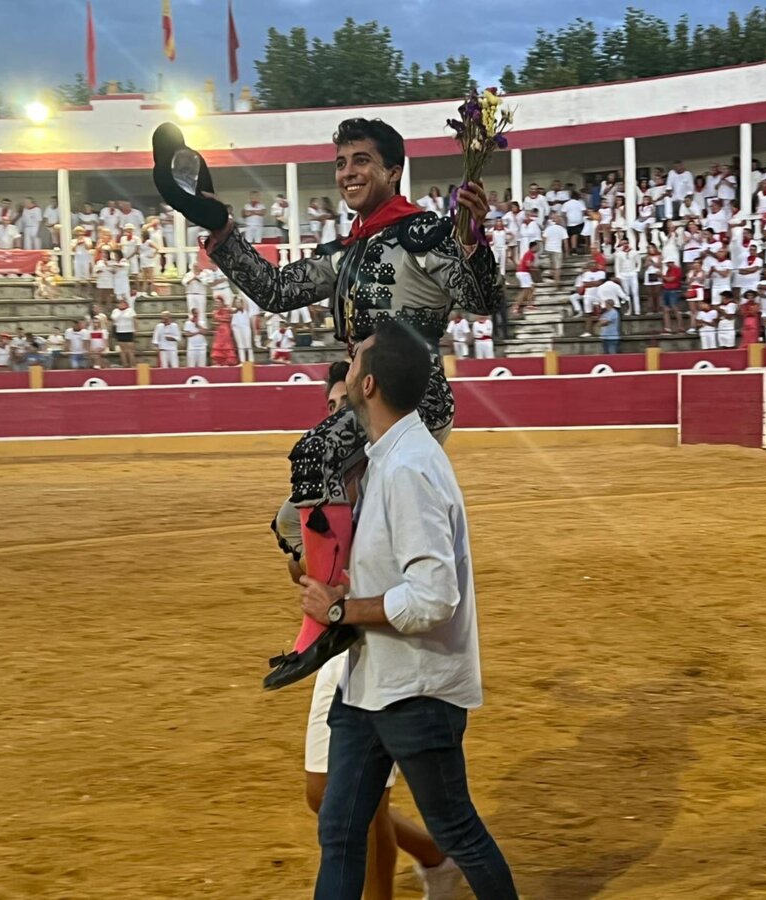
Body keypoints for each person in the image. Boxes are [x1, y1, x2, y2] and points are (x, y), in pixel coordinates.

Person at [153, 116, 502, 688]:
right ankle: (344, 600)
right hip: (365, 405)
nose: (347, 173)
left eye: (361, 160)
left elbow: (481, 296)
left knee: (314, 455)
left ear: (393, 170)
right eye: (341, 163)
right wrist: (218, 227)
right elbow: (275, 290)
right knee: (294, 525)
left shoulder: (426, 235)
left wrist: (471, 240)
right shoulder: (348, 251)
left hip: (414, 401)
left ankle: (325, 624)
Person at [296, 322, 518, 899]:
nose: (345, 364)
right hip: (370, 683)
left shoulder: (408, 468)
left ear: (367, 384)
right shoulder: (388, 457)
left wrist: (342, 611)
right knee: (340, 829)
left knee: (458, 831)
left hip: (416, 691)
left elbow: (433, 596)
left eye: (355, 359)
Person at [270, 361, 463, 900]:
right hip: (339, 639)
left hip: (386, 637)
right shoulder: (326, 478)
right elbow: (302, 565)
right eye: (330, 408)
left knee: (359, 797)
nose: (337, 419)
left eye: (346, 406)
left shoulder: (396, 466)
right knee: (323, 791)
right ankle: (432, 854)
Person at [209, 298, 238, 366]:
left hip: (225, 329)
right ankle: (219, 361)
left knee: (226, 344)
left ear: (222, 303)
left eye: (219, 302)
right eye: (216, 302)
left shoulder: (227, 310)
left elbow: (229, 317)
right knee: (219, 344)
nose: (217, 304)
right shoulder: (215, 312)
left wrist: (223, 318)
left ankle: (227, 361)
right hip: (219, 330)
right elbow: (218, 318)